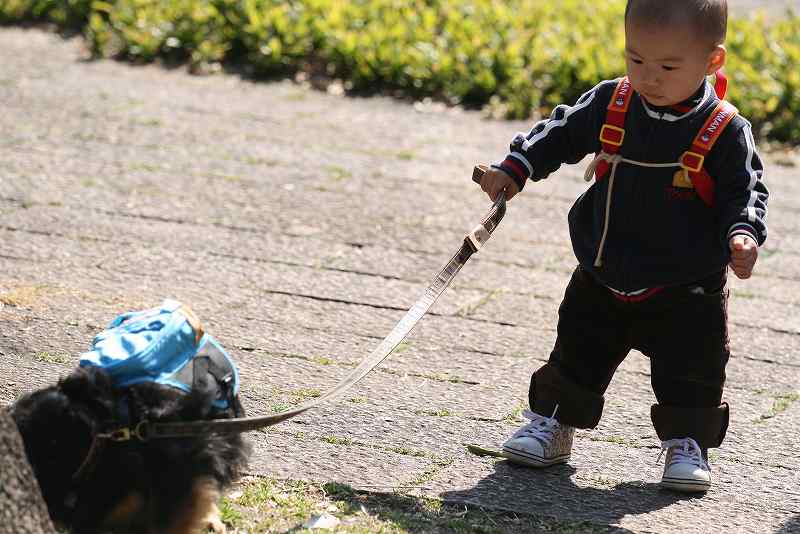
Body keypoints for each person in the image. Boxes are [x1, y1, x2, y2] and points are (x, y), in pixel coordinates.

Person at [477, 0, 768, 493]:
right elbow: (560, 131)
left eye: (668, 66)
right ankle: (552, 424)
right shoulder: (613, 102)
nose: (648, 77)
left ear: (712, 62)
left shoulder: (725, 130)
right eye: (636, 59)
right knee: (576, 352)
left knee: (692, 370)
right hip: (603, 269)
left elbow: (748, 191)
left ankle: (686, 444)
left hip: (687, 284)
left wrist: (744, 233)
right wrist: (515, 168)